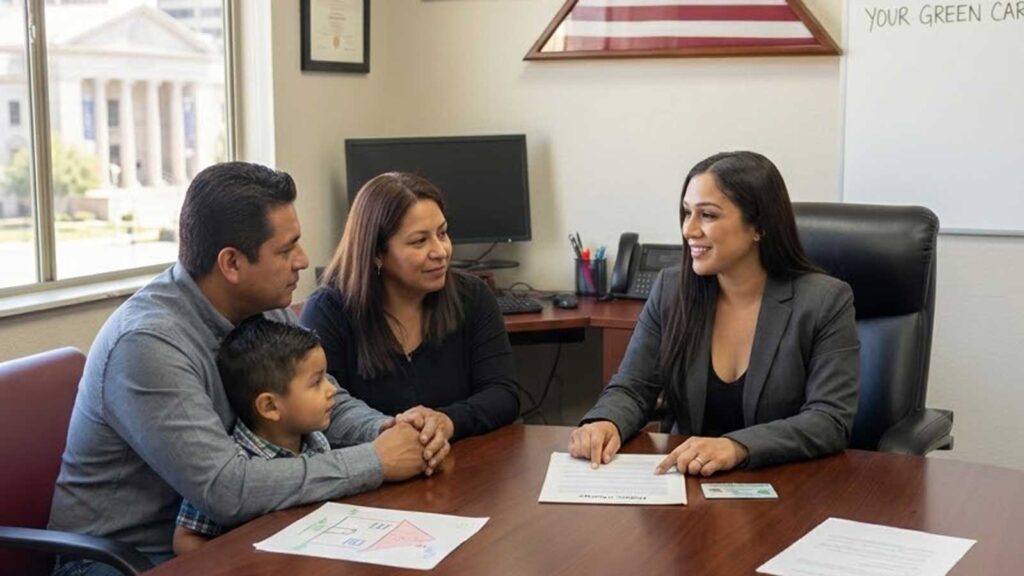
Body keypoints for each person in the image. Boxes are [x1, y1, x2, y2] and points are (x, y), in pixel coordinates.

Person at [49, 162, 445, 575]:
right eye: (286, 249)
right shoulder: (147, 344)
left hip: (236, 535)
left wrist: (391, 431)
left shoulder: (267, 310)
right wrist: (376, 461)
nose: (303, 261)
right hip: (127, 560)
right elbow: (226, 488)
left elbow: (322, 397)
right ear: (232, 264)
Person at [568, 151, 860, 476]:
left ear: (759, 227)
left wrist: (737, 446)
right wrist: (605, 421)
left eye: (707, 215)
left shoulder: (824, 301)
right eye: (686, 213)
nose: (689, 230)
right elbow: (632, 387)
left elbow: (829, 420)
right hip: (688, 486)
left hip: (784, 486)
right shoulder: (672, 288)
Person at [300, 172, 520, 443]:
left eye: (442, 233)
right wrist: (394, 433)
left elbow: (503, 394)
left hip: (462, 464)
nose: (440, 251)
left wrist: (447, 421)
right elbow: (319, 411)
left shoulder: (473, 296)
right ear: (376, 253)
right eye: (419, 241)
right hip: (374, 469)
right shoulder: (329, 310)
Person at [174, 318, 337, 555]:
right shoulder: (234, 465)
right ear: (270, 406)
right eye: (316, 382)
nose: (331, 389)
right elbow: (186, 539)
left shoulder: (316, 442)